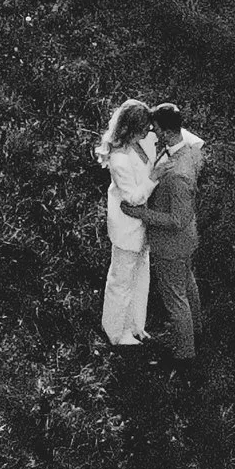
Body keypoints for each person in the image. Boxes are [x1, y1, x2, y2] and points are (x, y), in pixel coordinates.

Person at [143, 104, 206, 363]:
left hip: (171, 245)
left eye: (155, 129)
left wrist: (140, 213)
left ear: (167, 132)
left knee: (175, 299)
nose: (153, 133)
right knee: (188, 285)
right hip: (187, 241)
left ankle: (184, 355)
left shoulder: (177, 175)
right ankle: (196, 331)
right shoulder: (192, 150)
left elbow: (176, 220)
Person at [94, 99, 160, 349]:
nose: (148, 133)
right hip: (127, 226)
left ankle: (135, 325)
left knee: (141, 275)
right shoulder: (119, 159)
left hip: (143, 225)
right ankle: (115, 331)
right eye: (143, 129)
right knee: (121, 279)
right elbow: (132, 196)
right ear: (130, 129)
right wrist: (154, 178)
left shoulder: (142, 144)